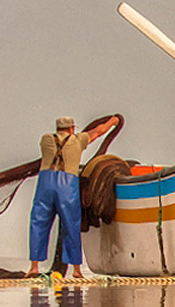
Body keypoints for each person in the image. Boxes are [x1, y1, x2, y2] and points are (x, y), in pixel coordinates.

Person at [26, 115, 119, 278]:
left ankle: (34, 267)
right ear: (71, 128)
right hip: (67, 185)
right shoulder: (78, 140)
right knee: (71, 225)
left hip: (46, 183)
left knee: (38, 222)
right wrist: (114, 121)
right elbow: (98, 131)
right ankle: (76, 270)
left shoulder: (46, 139)